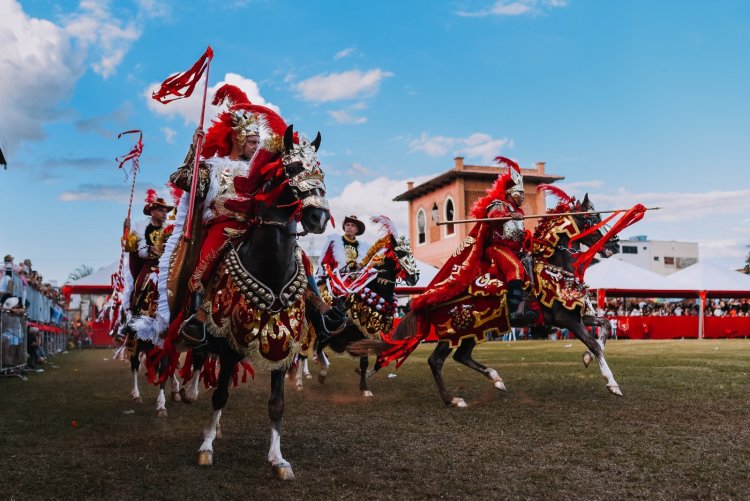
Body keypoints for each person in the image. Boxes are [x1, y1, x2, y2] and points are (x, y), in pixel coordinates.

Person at [169, 84, 264, 346]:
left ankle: (315, 311)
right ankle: (197, 318)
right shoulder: (213, 167)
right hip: (222, 227)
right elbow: (181, 179)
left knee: (296, 258)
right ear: (238, 140)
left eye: (258, 142)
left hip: (255, 228)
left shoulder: (260, 171)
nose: (257, 147)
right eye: (253, 142)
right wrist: (194, 150)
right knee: (201, 271)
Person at [482, 158, 536, 323]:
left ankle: (523, 310)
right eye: (521, 194)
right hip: (498, 247)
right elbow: (492, 218)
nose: (523, 197)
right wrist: (509, 215)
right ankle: (511, 313)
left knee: (532, 271)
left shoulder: (518, 211)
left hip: (514, 249)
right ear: (512, 193)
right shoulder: (499, 205)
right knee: (516, 269)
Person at [123, 190, 174, 319]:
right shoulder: (141, 229)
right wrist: (126, 230)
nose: (164, 214)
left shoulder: (171, 230)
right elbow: (129, 247)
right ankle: (135, 313)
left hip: (167, 266)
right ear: (152, 212)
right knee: (140, 285)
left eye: (165, 211)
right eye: (161, 211)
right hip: (149, 265)